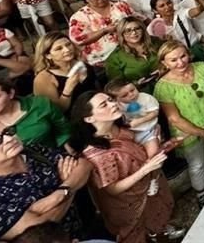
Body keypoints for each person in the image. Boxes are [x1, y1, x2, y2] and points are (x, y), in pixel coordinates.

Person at [68, 92, 183, 243]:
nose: (113, 104)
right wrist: (145, 170)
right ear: (89, 118)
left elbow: (140, 153)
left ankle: (161, 232)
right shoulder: (97, 154)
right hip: (128, 205)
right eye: (104, 105)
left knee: (158, 222)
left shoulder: (121, 129)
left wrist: (162, 147)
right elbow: (112, 189)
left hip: (152, 187)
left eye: (111, 100)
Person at [0, 117, 91, 242]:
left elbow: (84, 164)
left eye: (8, 132)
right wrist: (69, 188)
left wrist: (64, 189)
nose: (9, 139)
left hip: (82, 230)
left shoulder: (32, 150)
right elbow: (38, 229)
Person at [154, 41, 204, 206]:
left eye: (183, 56)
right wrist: (202, 132)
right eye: (173, 60)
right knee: (196, 164)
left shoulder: (201, 67)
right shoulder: (163, 87)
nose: (180, 62)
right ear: (164, 62)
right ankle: (201, 192)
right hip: (187, 132)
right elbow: (174, 118)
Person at [0, 78, 70, 150]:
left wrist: (66, 146)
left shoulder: (40, 104)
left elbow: (63, 128)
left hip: (53, 156)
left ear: (11, 94)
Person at [68, 0, 135, 70]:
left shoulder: (120, 5)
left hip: (130, 50)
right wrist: (104, 31)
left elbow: (137, 19)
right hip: (102, 59)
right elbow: (78, 39)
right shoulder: (79, 17)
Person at [105, 80, 161, 158]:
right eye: (124, 95)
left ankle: (155, 167)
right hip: (129, 134)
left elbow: (154, 113)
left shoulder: (145, 98)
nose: (131, 94)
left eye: (132, 90)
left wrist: (140, 121)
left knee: (153, 154)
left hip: (148, 131)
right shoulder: (116, 106)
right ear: (115, 99)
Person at [104, 17, 161, 88]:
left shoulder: (156, 42)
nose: (134, 33)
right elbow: (117, 85)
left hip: (167, 82)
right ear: (121, 34)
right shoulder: (115, 58)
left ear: (142, 29)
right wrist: (136, 84)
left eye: (137, 28)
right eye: (128, 30)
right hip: (140, 92)